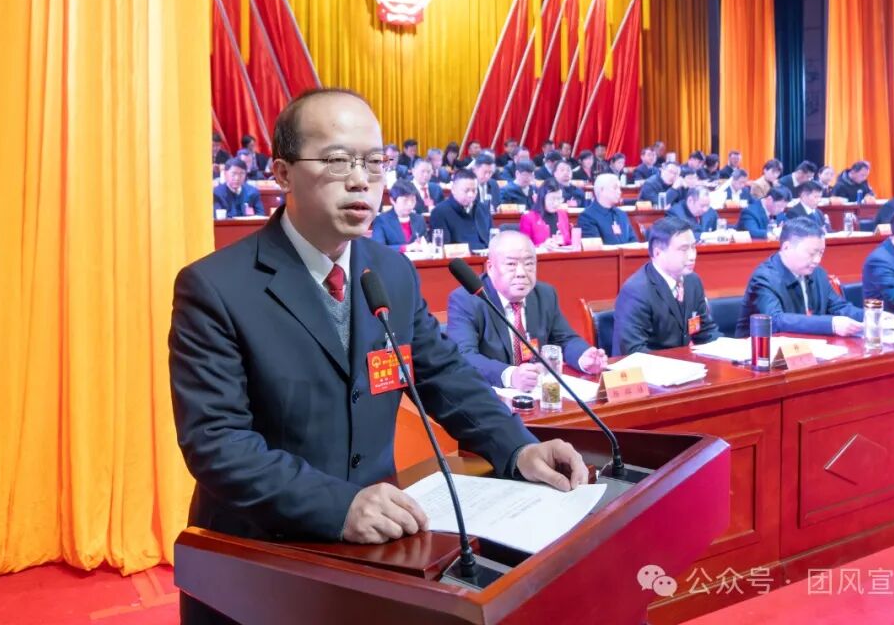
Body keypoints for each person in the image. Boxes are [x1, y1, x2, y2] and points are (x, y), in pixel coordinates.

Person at [170, 89, 588, 625]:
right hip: (260, 563)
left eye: (374, 162)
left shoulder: (391, 272)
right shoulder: (216, 287)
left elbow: (444, 375)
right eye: (337, 160)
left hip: (381, 555)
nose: (361, 180)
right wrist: (338, 506)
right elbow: (217, 443)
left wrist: (518, 446)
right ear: (282, 173)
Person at [446, 230, 608, 389]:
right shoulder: (467, 299)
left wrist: (583, 357)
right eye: (511, 264)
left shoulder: (544, 294)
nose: (521, 273)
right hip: (490, 394)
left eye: (529, 264)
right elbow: (463, 356)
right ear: (490, 267)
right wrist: (510, 376)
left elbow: (564, 339)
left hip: (537, 392)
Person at [736, 218, 865, 337]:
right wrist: (831, 325)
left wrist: (870, 316)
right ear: (786, 247)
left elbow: (839, 307)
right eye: (811, 253)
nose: (817, 260)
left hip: (806, 347)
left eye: (821, 253)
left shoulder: (818, 273)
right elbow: (774, 321)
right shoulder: (764, 278)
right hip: (761, 350)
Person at [612, 218, 720, 355]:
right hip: (648, 365)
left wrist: (730, 349)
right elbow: (633, 350)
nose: (692, 256)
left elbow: (705, 331)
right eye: (683, 249)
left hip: (682, 363)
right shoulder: (636, 291)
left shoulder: (693, 281)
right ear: (658, 253)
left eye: (693, 247)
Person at [429, 168, 493, 251]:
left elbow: (491, 238)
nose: (470, 195)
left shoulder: (483, 209)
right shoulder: (440, 212)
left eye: (474, 190)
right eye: (466, 190)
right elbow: (443, 247)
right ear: (453, 189)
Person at [579, 174, 639, 244]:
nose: (619, 192)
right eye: (615, 188)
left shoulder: (622, 214)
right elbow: (595, 248)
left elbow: (633, 242)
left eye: (619, 188)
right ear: (601, 190)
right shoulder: (587, 217)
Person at [371, 182, 427, 251]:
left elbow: (426, 243)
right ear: (392, 200)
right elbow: (378, 248)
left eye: (413, 200)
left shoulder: (419, 219)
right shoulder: (381, 220)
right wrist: (406, 248)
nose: (410, 204)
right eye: (405, 200)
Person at [519, 180, 572, 247]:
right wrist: (542, 246)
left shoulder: (563, 214)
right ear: (542, 198)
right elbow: (525, 247)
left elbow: (569, 241)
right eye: (552, 199)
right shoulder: (528, 218)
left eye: (559, 199)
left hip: (561, 253)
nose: (556, 203)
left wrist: (564, 241)